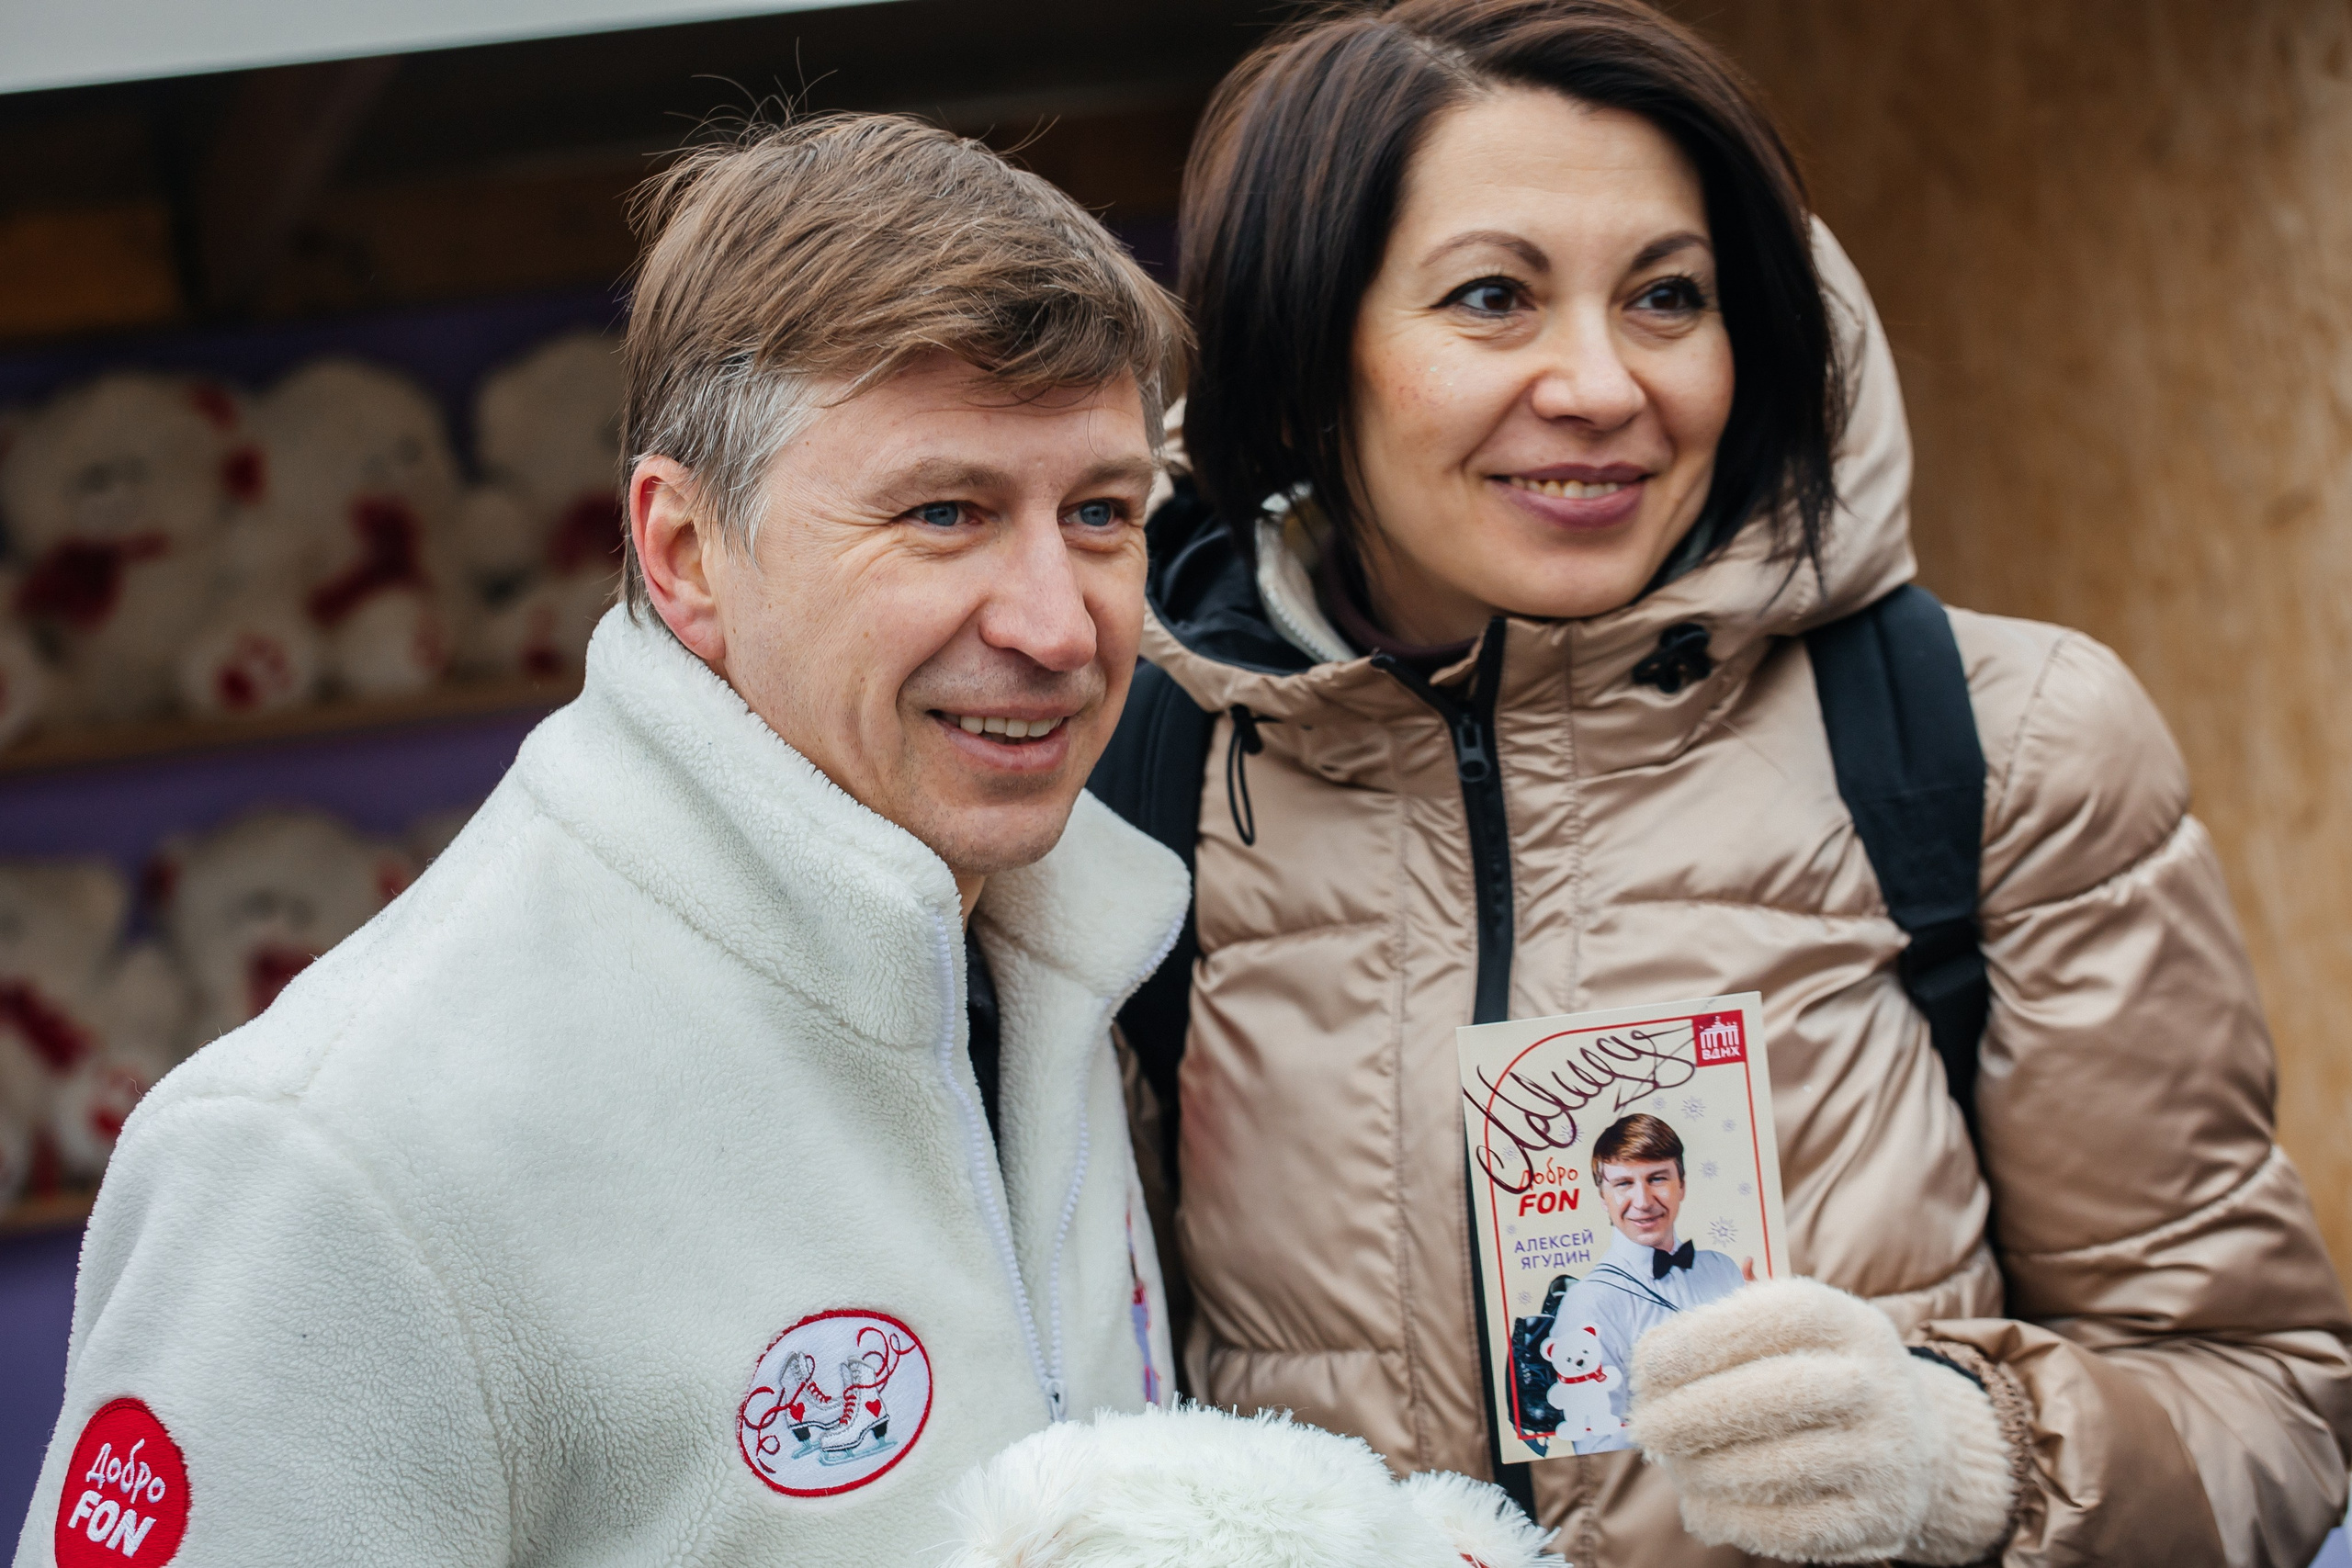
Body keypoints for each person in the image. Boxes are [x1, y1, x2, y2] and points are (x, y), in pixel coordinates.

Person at [1102, 2, 2352, 1564]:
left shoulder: (1990, 737)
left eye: (1666, 297)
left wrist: (1965, 1455)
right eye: (1493, 298)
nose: (1604, 383)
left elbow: (2269, 1404)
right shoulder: (1137, 780)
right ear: (1306, 353)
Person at [13, 115, 1194, 1566]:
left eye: (1100, 513)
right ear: (685, 550)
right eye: (943, 512)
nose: (1057, 622)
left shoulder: (1051, 962)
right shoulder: (327, 1147)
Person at [1544, 1115, 1746, 1454]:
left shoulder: (1723, 1269)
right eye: (1624, 1183)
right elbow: (1596, 1443)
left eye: (1657, 1178)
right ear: (1602, 1196)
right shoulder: (1588, 1303)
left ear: (1681, 1185)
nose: (1643, 1201)